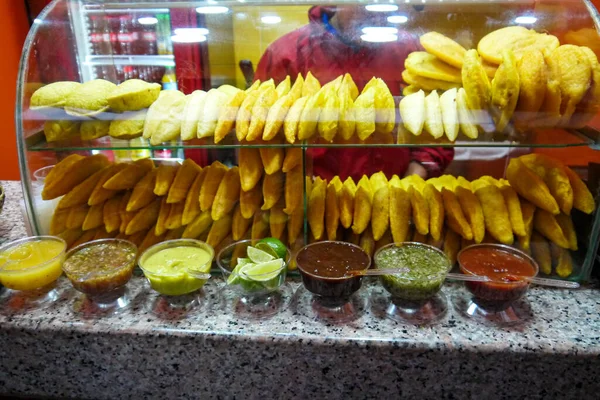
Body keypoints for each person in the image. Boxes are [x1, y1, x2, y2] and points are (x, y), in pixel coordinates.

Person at [255, 5, 454, 182]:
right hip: (314, 204)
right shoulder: (288, 54)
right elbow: (260, 137)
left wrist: (414, 175)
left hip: (393, 200)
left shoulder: (413, 54)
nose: (371, 9)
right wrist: (297, 187)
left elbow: (438, 127)